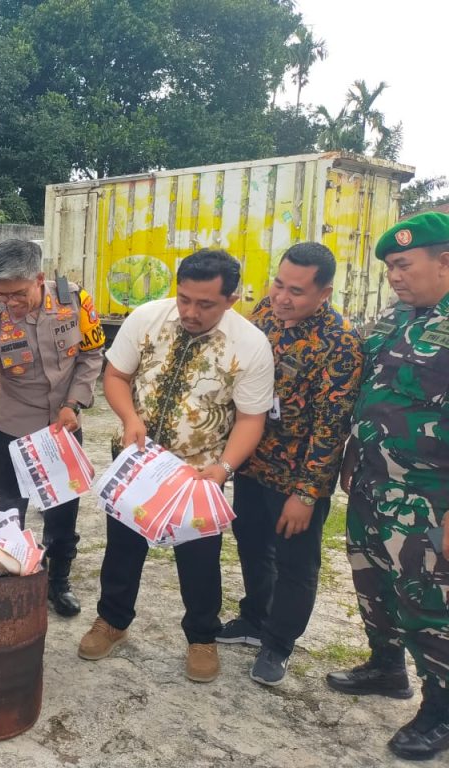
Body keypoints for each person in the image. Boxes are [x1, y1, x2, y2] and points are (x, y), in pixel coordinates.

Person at [79, 248, 274, 683]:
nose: (191, 311)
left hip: (199, 472)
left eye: (205, 304)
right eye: (185, 298)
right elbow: (116, 376)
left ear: (231, 298)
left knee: (199, 557)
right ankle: (112, 621)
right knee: (123, 547)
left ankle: (201, 637)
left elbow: (250, 418)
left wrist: (224, 468)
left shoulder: (250, 345)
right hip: (136, 460)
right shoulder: (147, 317)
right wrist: (130, 419)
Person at [327, 212, 449, 761]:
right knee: (372, 581)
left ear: (445, 261)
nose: (394, 276)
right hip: (375, 485)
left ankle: (441, 710)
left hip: (431, 498)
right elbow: (370, 387)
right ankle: (385, 667)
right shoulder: (397, 316)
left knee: (429, 602)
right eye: (389, 267)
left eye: (403, 265)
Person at [218, 243, 363, 686]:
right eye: (278, 283)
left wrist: (306, 494)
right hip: (253, 464)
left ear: (324, 293)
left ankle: (279, 643)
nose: (282, 296)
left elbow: (330, 429)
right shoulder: (263, 315)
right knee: (251, 543)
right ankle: (255, 618)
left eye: (296, 291)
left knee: (296, 562)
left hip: (297, 477)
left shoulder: (341, 343)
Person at [0, 239, 104, 617]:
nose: (11, 303)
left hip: (62, 429)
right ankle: (12, 584)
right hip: (12, 432)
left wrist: (74, 403)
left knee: (62, 513)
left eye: (19, 293)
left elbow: (91, 355)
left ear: (39, 278)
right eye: (2, 294)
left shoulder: (75, 302)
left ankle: (58, 582)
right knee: (8, 514)